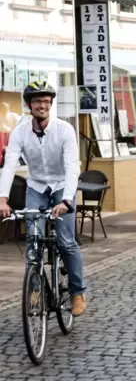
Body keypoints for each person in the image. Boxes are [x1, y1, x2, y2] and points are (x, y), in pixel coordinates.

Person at [0, 81, 86, 316]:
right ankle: (35, 290)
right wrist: (2, 199)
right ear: (29, 105)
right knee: (33, 243)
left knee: (66, 241)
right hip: (36, 185)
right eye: (38, 101)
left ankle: (78, 292)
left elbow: (71, 168)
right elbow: (9, 165)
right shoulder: (20, 132)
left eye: (47, 101)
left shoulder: (64, 130)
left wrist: (67, 200)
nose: (43, 105)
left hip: (61, 185)